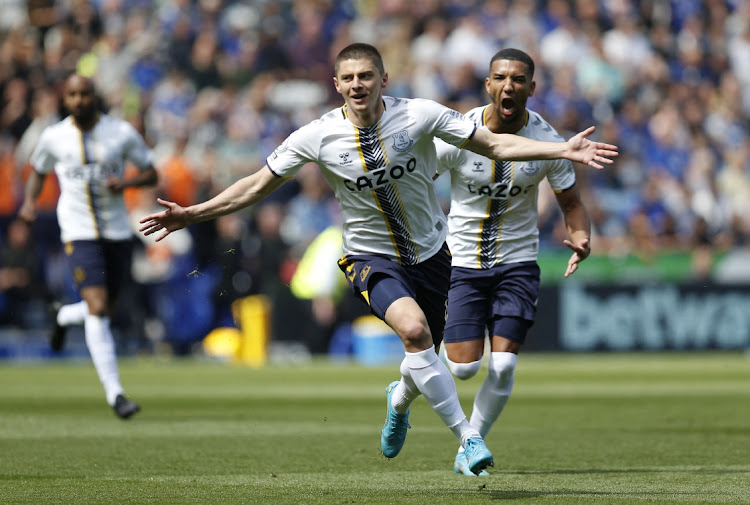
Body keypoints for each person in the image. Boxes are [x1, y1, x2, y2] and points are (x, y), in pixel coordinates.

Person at [139, 43, 617, 474]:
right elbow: (256, 184)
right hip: (370, 256)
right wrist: (194, 213)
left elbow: (491, 142)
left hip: (433, 256)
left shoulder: (421, 116)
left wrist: (562, 149)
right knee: (414, 332)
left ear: (383, 80)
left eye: (366, 75)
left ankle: (399, 398)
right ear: (336, 85)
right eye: (348, 78)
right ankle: (468, 440)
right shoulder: (317, 135)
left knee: (426, 353)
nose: (357, 85)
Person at [434, 48, 596, 475]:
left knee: (503, 365)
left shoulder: (548, 141)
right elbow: (415, 179)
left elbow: (572, 202)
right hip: (463, 264)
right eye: (500, 77)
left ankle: (471, 446)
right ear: (487, 85)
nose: (509, 85)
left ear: (531, 88)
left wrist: (580, 236)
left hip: (518, 262)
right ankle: (406, 384)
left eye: (518, 79)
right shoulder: (458, 133)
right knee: (463, 368)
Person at [19, 74, 158, 420]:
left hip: (116, 232)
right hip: (78, 232)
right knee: (97, 307)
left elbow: (151, 172)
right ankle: (116, 394)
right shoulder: (54, 137)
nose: (78, 100)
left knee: (104, 310)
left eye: (84, 94)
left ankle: (64, 315)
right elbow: (38, 168)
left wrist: (125, 182)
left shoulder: (121, 133)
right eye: (72, 95)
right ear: (64, 99)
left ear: (95, 97)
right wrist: (30, 202)